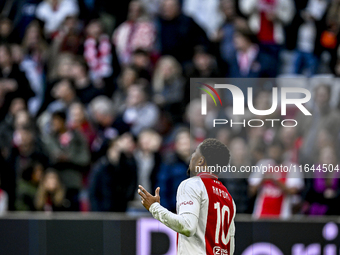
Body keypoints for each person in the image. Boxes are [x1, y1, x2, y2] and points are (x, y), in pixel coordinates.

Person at [138, 138, 236, 255]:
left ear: (201, 161)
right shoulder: (228, 197)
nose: (191, 157)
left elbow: (188, 226)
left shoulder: (192, 184)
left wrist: (154, 208)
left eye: (195, 152)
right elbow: (230, 246)